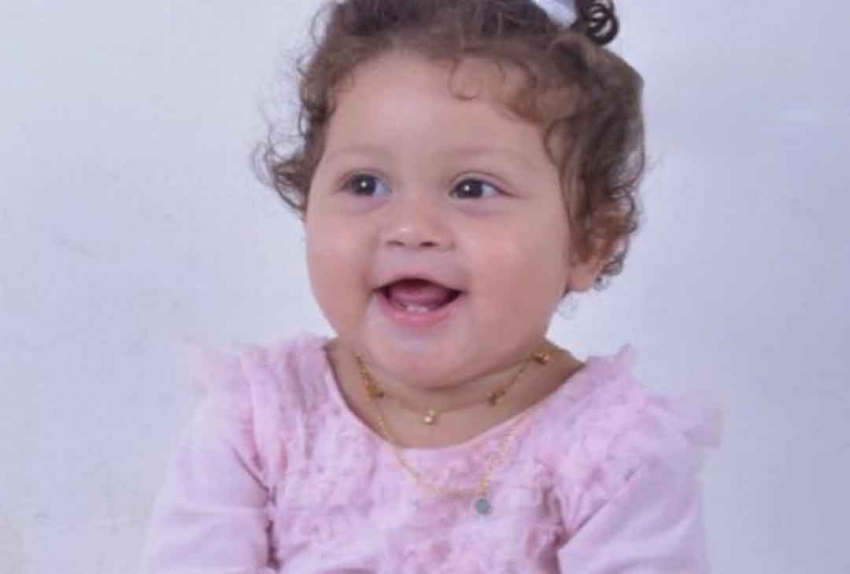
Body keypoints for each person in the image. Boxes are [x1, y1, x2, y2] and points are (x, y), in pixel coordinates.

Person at [140, 0, 722, 571]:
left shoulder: (612, 454)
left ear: (588, 243)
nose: (411, 228)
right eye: (364, 184)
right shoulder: (260, 421)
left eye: (473, 189)